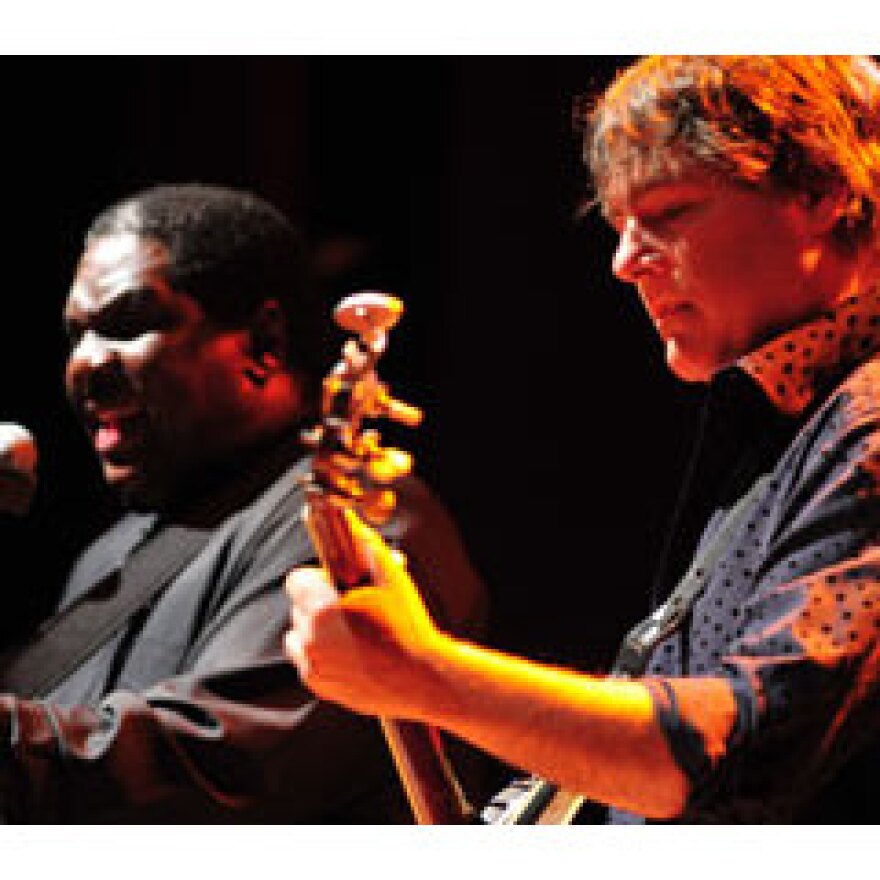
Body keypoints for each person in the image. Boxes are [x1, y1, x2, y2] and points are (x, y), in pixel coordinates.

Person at [284, 55, 880, 823]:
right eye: (619, 225)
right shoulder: (789, 418)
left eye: (669, 213)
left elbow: (737, 759)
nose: (625, 262)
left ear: (824, 193)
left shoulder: (865, 429)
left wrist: (424, 674)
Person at [0, 183, 488, 822]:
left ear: (263, 345)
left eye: (125, 325)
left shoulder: (355, 525)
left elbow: (215, 776)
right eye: (76, 336)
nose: (85, 365)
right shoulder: (109, 556)